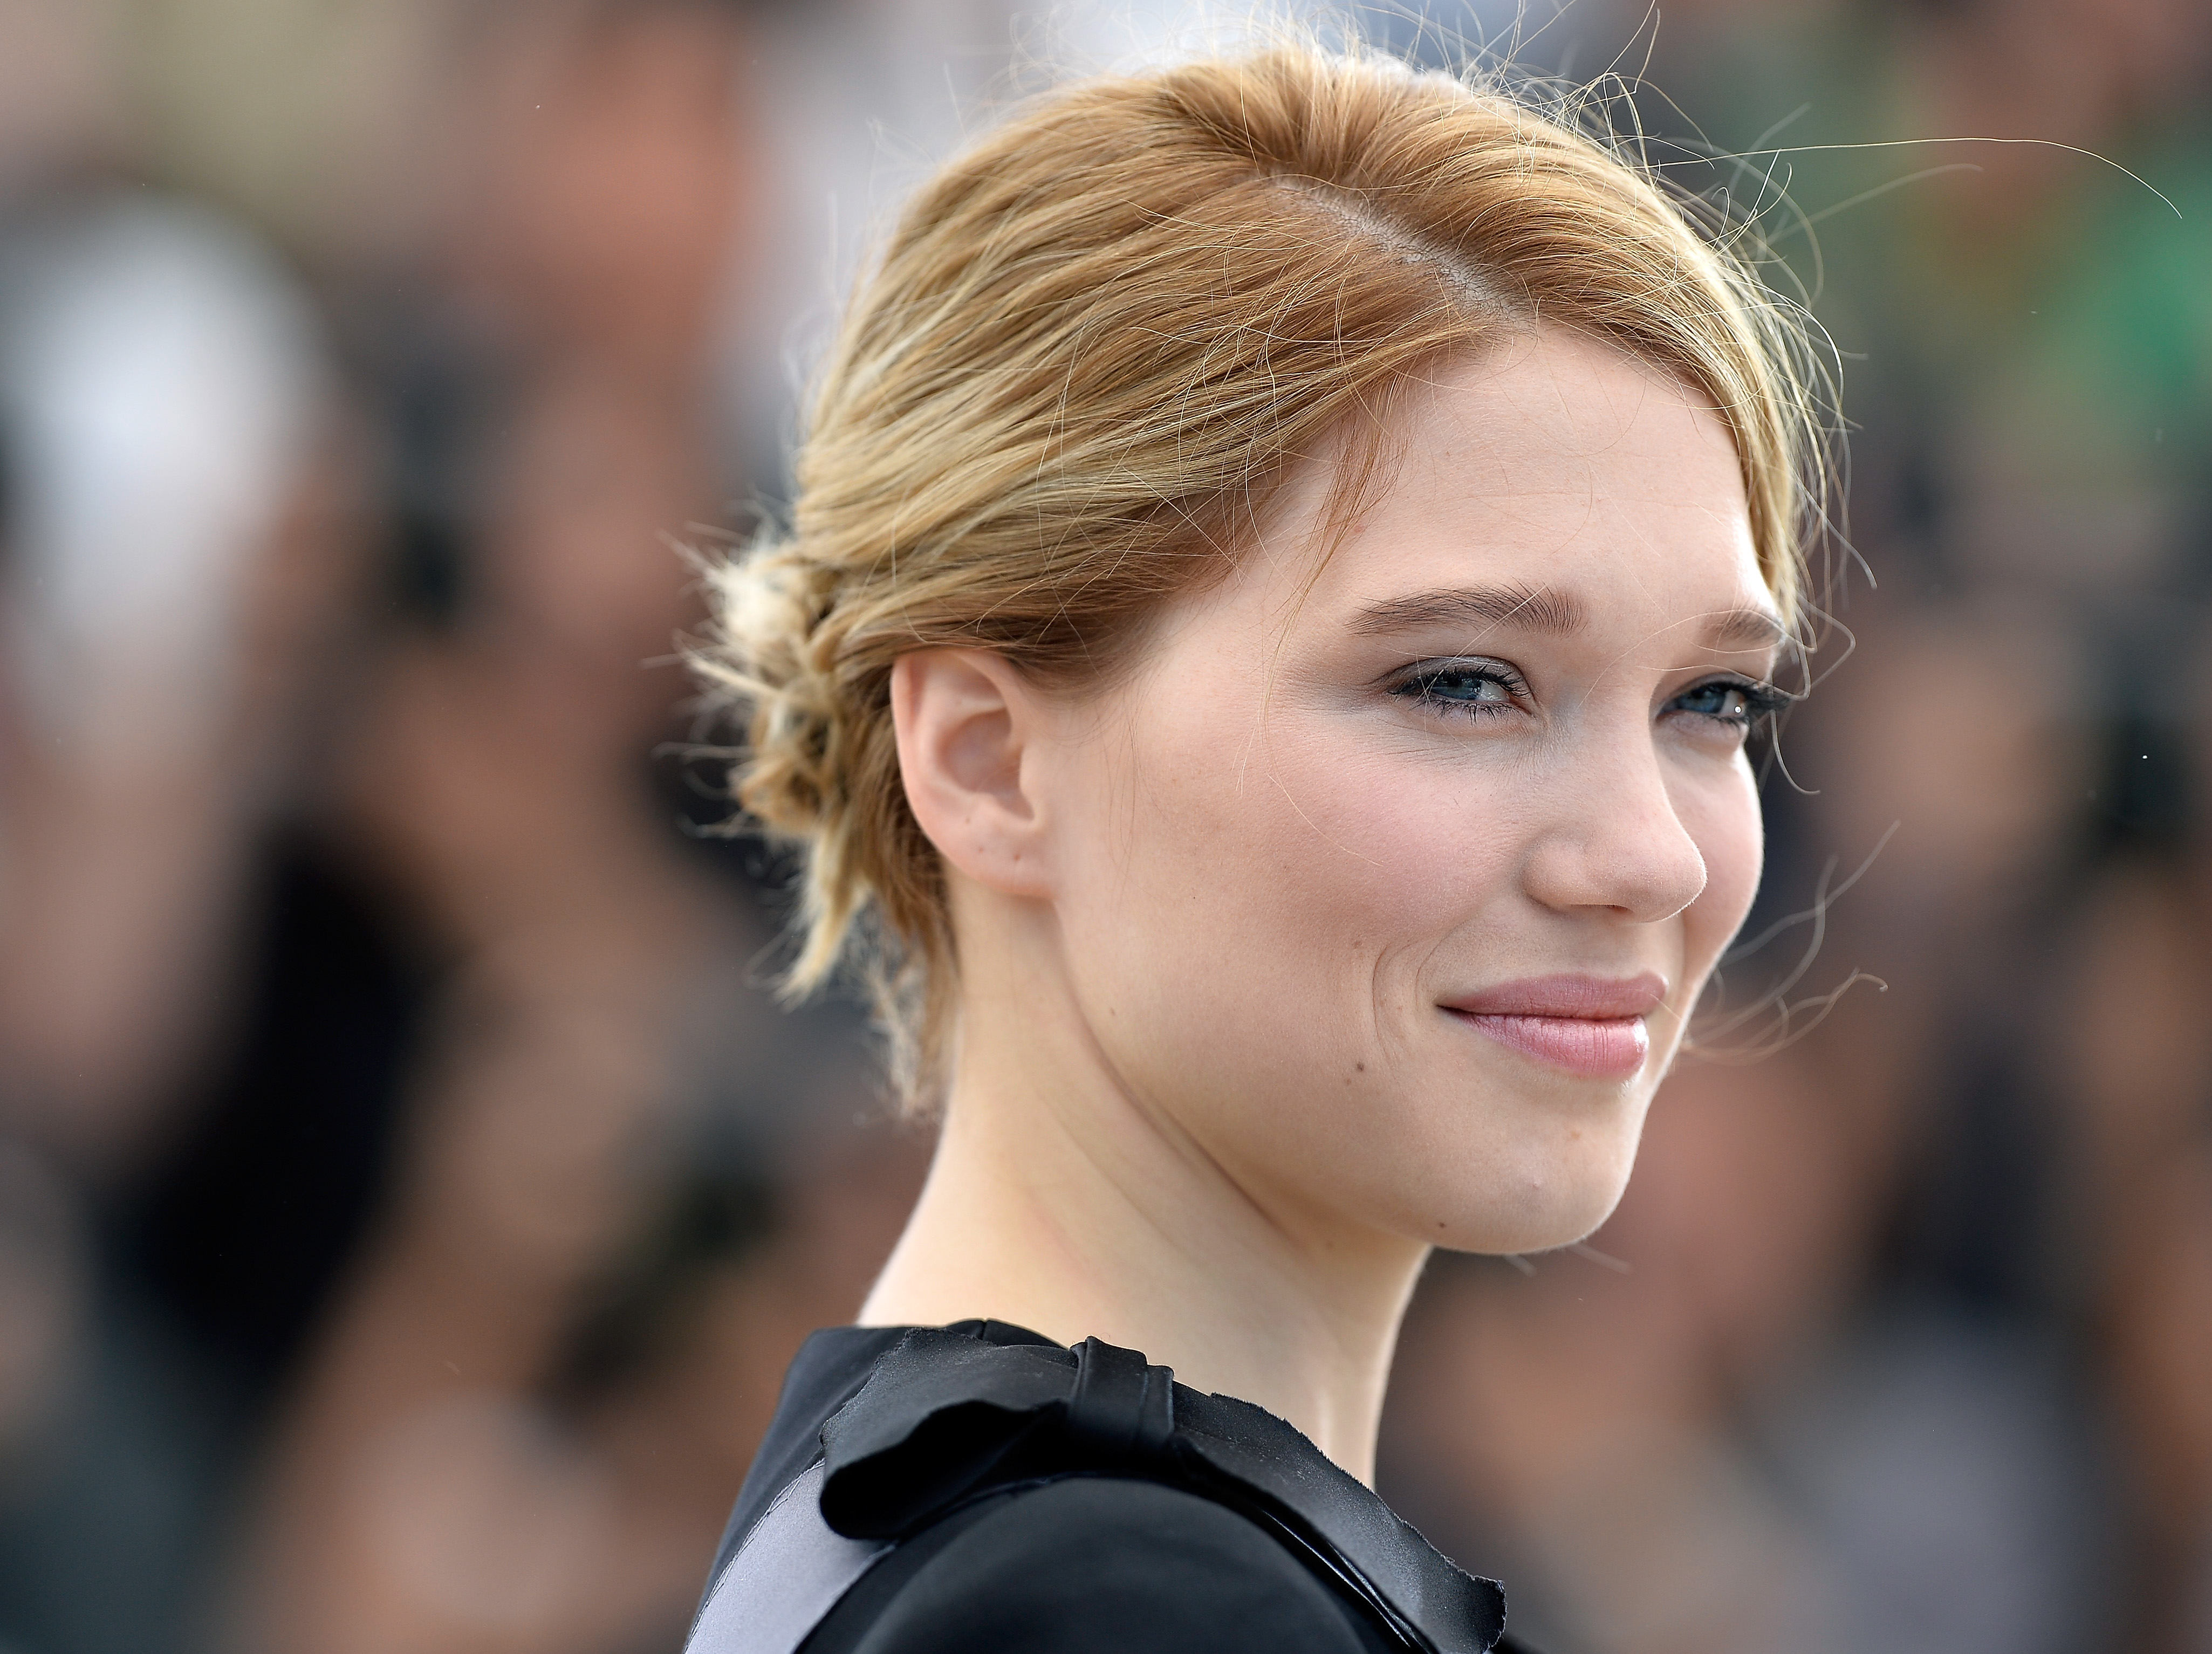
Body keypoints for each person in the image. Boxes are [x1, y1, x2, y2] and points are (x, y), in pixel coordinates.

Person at [687, 39, 1827, 1654]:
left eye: (1710, 701)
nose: (1653, 856)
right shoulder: (1123, 1609)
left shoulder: (922, 1514)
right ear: (987, 760)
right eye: (1461, 683)